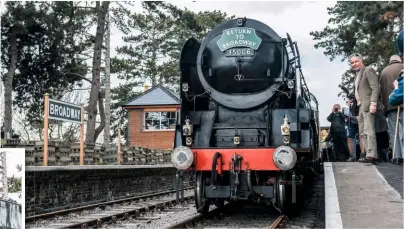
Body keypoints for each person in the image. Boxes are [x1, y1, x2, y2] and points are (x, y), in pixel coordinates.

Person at [349, 53, 381, 163]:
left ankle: (372, 155)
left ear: (361, 61)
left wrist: (373, 103)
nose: (354, 64)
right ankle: (368, 154)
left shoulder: (368, 70)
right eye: (352, 63)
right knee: (362, 132)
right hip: (360, 106)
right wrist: (354, 100)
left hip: (368, 105)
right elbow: (360, 92)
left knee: (369, 130)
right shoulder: (357, 75)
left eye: (356, 61)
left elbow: (375, 88)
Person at [380, 55, 403, 164]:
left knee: (394, 131)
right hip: (403, 102)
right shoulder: (403, 67)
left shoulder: (384, 71)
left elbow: (381, 90)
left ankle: (396, 156)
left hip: (390, 105)